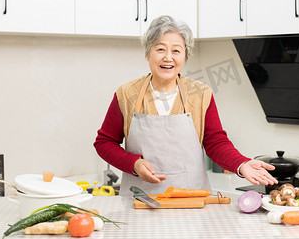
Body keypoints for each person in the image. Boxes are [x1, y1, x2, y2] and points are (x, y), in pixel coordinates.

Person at [94, 15, 278, 195]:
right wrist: (133, 164)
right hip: (141, 200)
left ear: (185, 55)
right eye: (160, 49)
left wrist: (242, 164)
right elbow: (104, 142)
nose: (168, 57)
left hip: (191, 199)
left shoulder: (201, 94)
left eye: (176, 51)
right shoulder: (127, 94)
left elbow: (215, 142)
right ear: (148, 53)